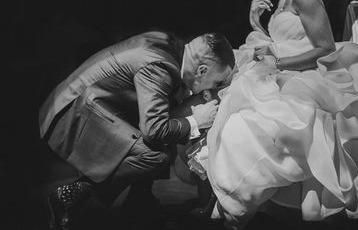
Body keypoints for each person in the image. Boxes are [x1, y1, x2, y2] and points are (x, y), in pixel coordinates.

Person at [195, 0, 358, 228]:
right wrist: (256, 22)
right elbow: (286, 42)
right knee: (236, 128)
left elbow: (325, 49)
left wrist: (277, 65)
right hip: (279, 75)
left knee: (249, 133)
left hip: (298, 80)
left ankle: (231, 209)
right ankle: (228, 206)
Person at [39, 31, 235, 229]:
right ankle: (71, 194)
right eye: (217, 83)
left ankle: (140, 204)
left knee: (171, 130)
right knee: (155, 155)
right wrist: (195, 121)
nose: (212, 89)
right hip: (73, 115)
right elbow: (154, 130)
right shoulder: (160, 67)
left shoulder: (172, 46)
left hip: (96, 106)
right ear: (201, 70)